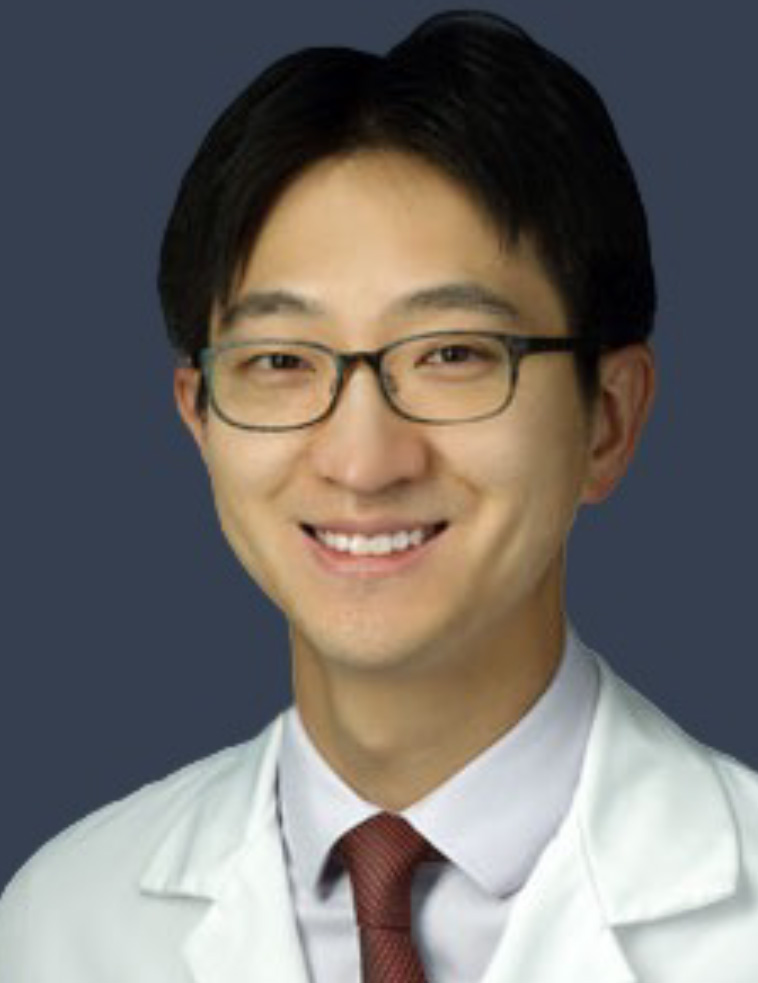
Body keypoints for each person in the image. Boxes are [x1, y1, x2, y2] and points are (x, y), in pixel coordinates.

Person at [1, 9, 757, 981]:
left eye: (452, 353)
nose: (362, 461)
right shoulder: (57, 923)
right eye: (281, 360)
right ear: (201, 419)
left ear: (606, 419)